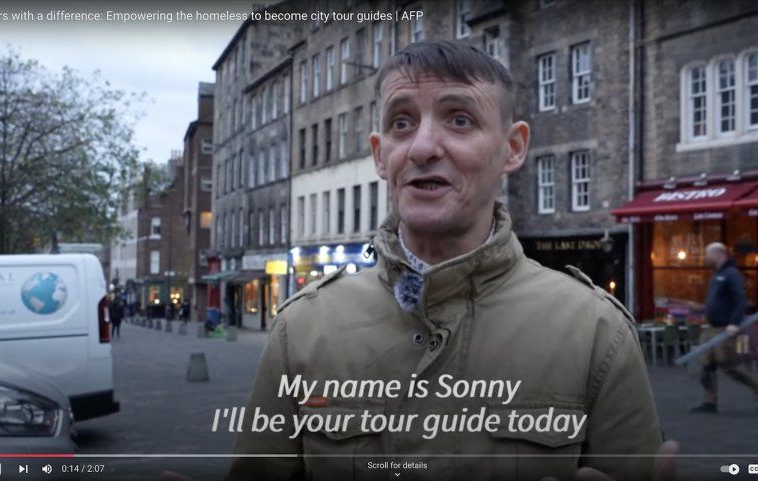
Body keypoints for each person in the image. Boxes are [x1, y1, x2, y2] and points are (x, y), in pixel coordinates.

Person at [229, 40, 669, 481]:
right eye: (402, 123)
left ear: (513, 148)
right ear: (381, 155)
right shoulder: (302, 329)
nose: (422, 148)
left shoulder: (595, 331)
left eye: (460, 120)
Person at [690, 242, 758, 413]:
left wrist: (734, 323)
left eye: (708, 254)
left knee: (728, 364)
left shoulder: (731, 274)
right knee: (706, 364)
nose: (706, 258)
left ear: (719, 254)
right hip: (711, 327)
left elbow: (740, 300)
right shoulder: (716, 275)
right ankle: (709, 401)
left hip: (725, 328)